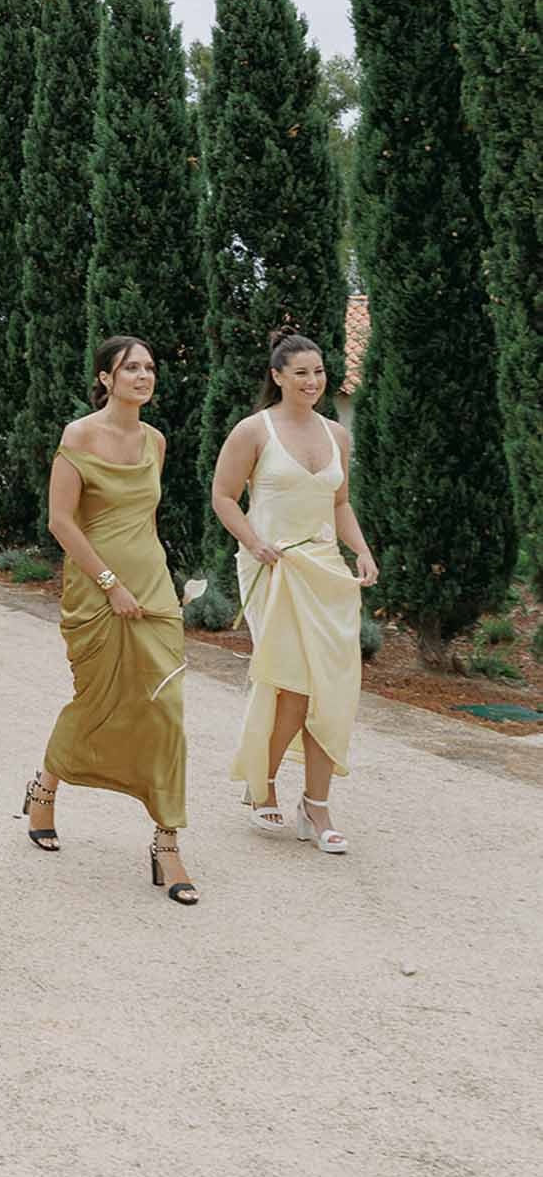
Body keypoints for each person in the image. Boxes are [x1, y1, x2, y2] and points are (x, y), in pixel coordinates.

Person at [22, 336, 199, 905]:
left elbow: (144, 520)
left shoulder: (155, 441)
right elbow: (60, 521)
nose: (144, 376)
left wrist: (144, 584)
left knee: (166, 707)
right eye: (132, 368)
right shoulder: (79, 435)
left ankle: (167, 841)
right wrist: (109, 584)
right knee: (97, 702)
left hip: (153, 585)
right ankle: (45, 787)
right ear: (105, 378)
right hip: (96, 590)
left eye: (150, 367)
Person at [210, 329, 378, 854]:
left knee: (332, 686)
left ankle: (317, 805)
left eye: (320, 371)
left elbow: (340, 503)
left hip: (326, 571)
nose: (312, 381)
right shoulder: (252, 431)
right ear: (278, 376)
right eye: (301, 372)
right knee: (293, 685)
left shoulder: (337, 435)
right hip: (272, 567)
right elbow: (223, 496)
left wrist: (363, 551)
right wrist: (254, 541)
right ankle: (263, 781)